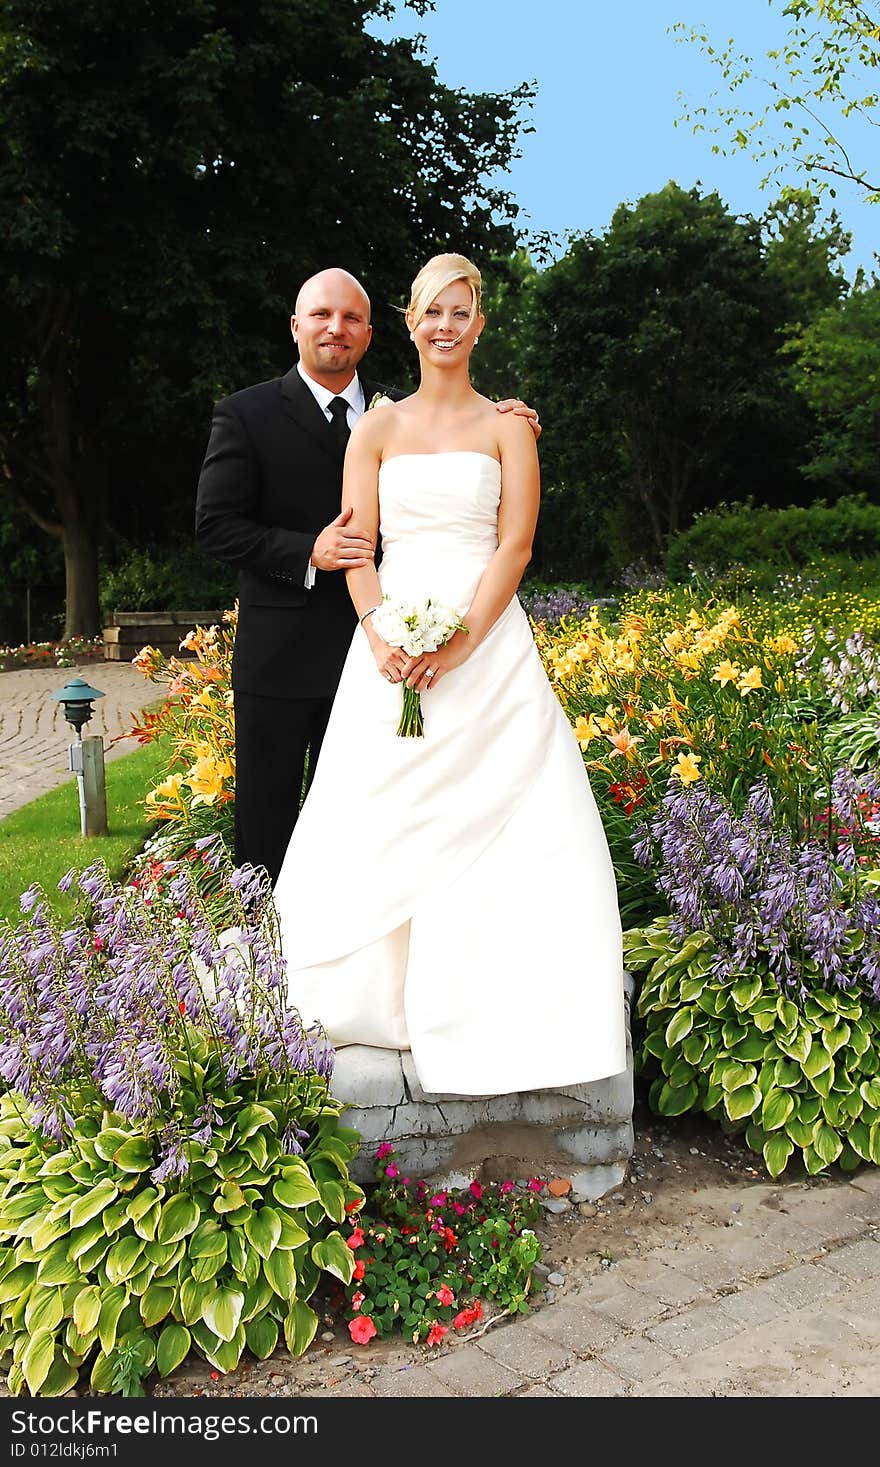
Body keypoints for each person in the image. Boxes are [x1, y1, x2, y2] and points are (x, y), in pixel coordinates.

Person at [272, 253, 627, 1097]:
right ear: (410, 320)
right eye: (432, 310)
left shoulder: (510, 426)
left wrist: (463, 639)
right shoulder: (379, 428)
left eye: (460, 312)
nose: (445, 325)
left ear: (478, 323)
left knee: (512, 813)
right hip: (390, 645)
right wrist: (379, 630)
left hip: (486, 648)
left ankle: (506, 1002)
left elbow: (515, 545)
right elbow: (357, 543)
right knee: (381, 811)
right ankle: (379, 998)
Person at [195, 267, 539, 884]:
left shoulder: (399, 409)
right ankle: (260, 957)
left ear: (373, 332)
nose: (337, 328)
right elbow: (216, 527)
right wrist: (310, 551)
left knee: (377, 828)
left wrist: (512, 423)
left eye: (351, 318)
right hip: (290, 655)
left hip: (395, 654)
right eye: (322, 316)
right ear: (297, 326)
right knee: (269, 825)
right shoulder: (246, 414)